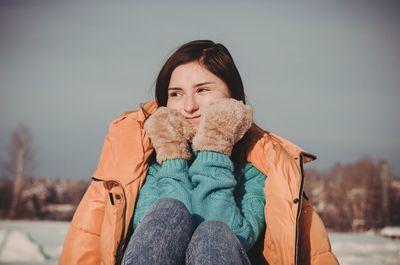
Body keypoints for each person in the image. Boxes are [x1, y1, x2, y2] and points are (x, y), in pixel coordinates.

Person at [60, 40, 339, 265]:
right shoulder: (144, 166)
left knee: (214, 233)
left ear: (233, 97)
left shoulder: (258, 171)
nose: (189, 106)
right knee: (169, 212)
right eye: (176, 94)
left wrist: (214, 149)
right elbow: (158, 237)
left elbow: (235, 238)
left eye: (203, 90)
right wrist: (172, 155)